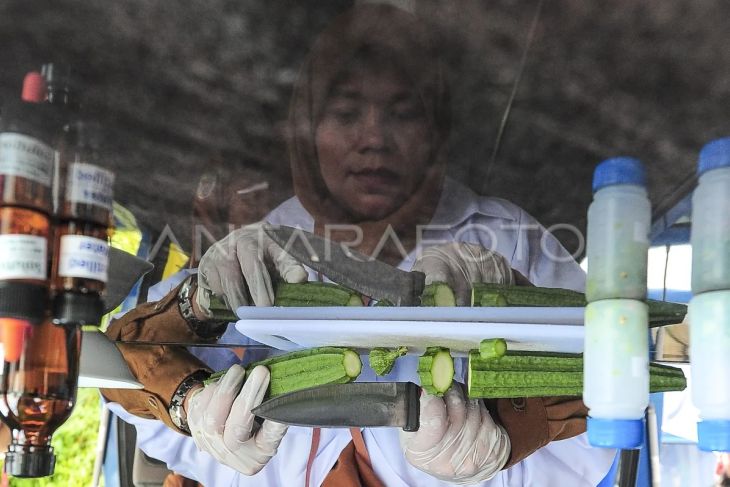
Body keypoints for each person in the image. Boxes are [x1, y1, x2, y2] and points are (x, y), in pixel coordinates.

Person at [101, 4, 616, 486]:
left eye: (403, 113)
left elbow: (608, 402)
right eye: (346, 114)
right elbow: (122, 363)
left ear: (436, 131)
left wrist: (504, 447)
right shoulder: (258, 249)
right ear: (307, 131)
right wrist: (192, 406)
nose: (374, 138)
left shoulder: (508, 241)